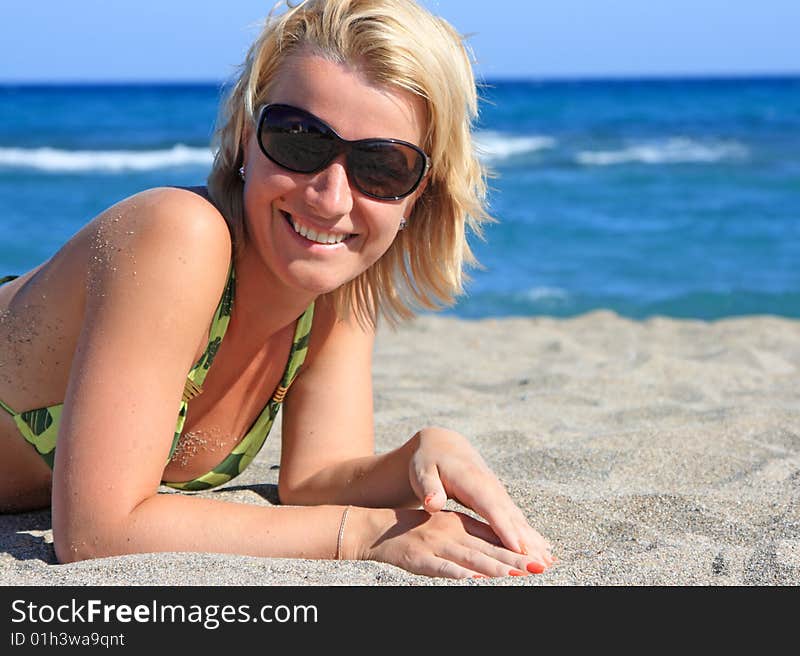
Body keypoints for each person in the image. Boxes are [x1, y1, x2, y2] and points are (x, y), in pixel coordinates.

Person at [0, 0, 553, 579]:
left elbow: (315, 479)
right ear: (245, 136)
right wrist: (361, 536)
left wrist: (419, 454)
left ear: (422, 192)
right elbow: (97, 532)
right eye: (299, 139)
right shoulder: (178, 236)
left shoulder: (334, 288)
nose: (331, 198)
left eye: (382, 167)